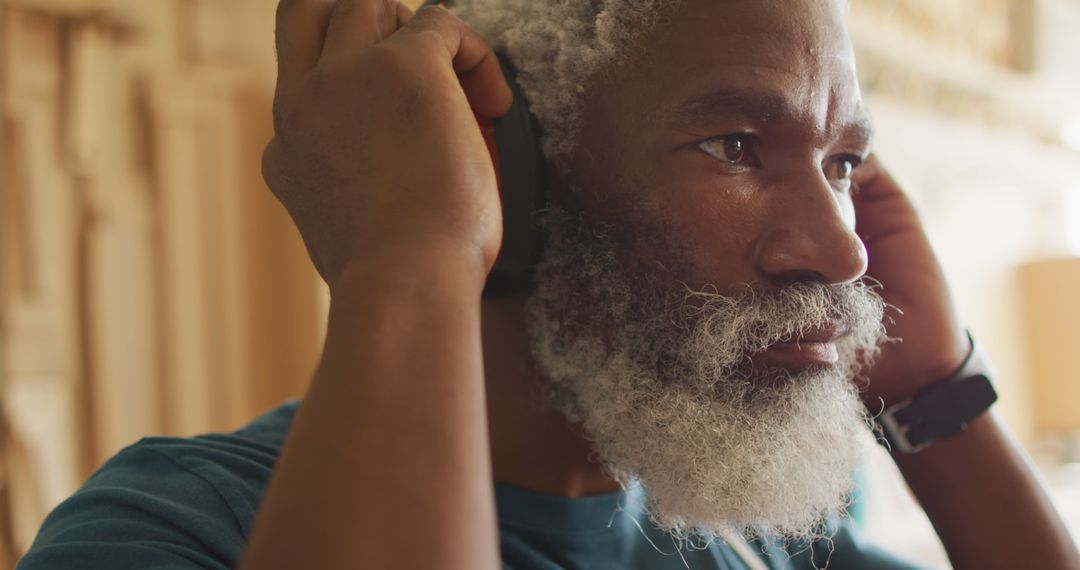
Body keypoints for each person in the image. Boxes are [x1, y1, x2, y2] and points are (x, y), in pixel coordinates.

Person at [16, 0, 1080, 569]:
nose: (846, 254)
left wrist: (934, 392)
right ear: (500, 163)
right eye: (737, 143)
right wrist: (404, 262)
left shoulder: (756, 543)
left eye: (844, 162)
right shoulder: (177, 529)